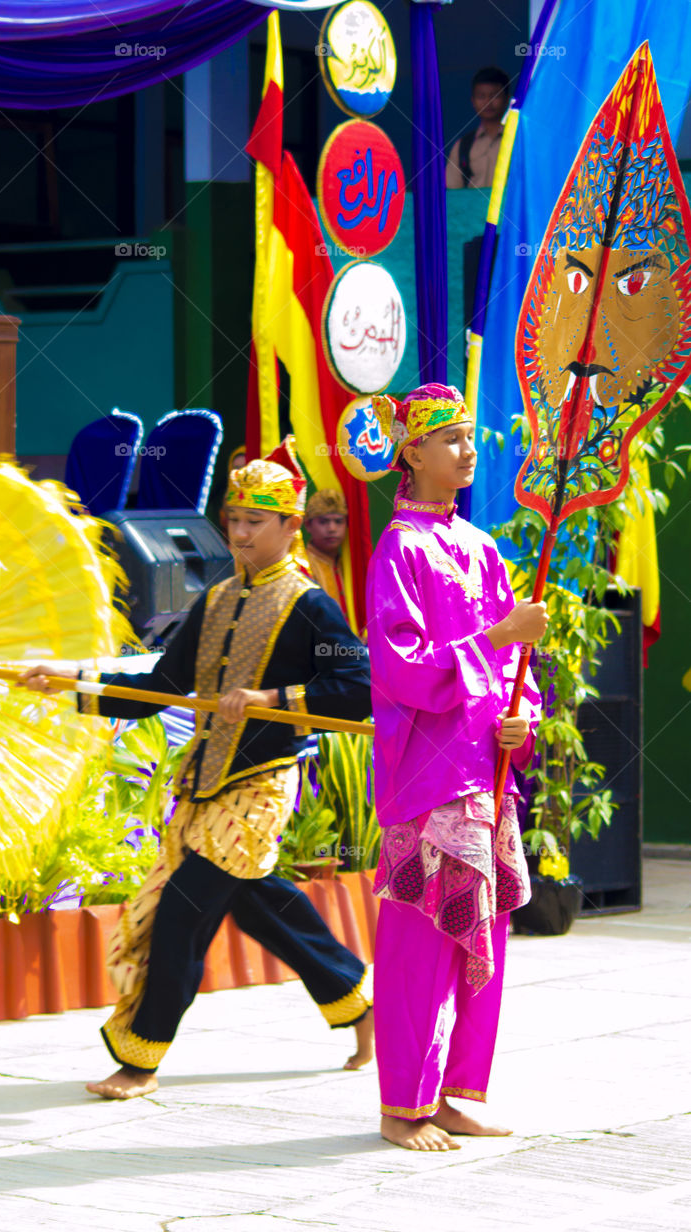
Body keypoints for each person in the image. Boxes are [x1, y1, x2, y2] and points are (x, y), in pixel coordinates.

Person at [21, 437, 374, 1101]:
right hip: (203, 787)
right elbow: (158, 683)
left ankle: (141, 1058)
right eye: (233, 520)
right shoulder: (213, 603)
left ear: (290, 527)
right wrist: (67, 681)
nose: (239, 534)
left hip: (261, 788)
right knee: (263, 910)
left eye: (255, 522)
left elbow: (358, 684)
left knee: (179, 912)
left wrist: (272, 700)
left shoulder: (310, 606)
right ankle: (359, 1005)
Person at [366, 384, 547, 1152]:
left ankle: (459, 1092)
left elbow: (519, 666)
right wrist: (500, 633)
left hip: (487, 771)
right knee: (418, 941)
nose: (468, 453)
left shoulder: (479, 549)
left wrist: (522, 716)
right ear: (411, 453)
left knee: (486, 939)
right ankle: (400, 1106)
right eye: (451, 441)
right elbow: (402, 668)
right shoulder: (397, 552)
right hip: (429, 775)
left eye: (471, 439)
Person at [445, 67, 511, 190]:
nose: (488, 102)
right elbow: (452, 193)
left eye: (495, 96)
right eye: (481, 96)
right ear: (473, 101)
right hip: (472, 209)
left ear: (507, 99)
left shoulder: (520, 141)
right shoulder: (463, 146)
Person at [303, 487, 349, 619]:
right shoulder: (301, 566)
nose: (332, 529)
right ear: (308, 525)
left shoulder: (350, 565)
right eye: (323, 522)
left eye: (338, 521)